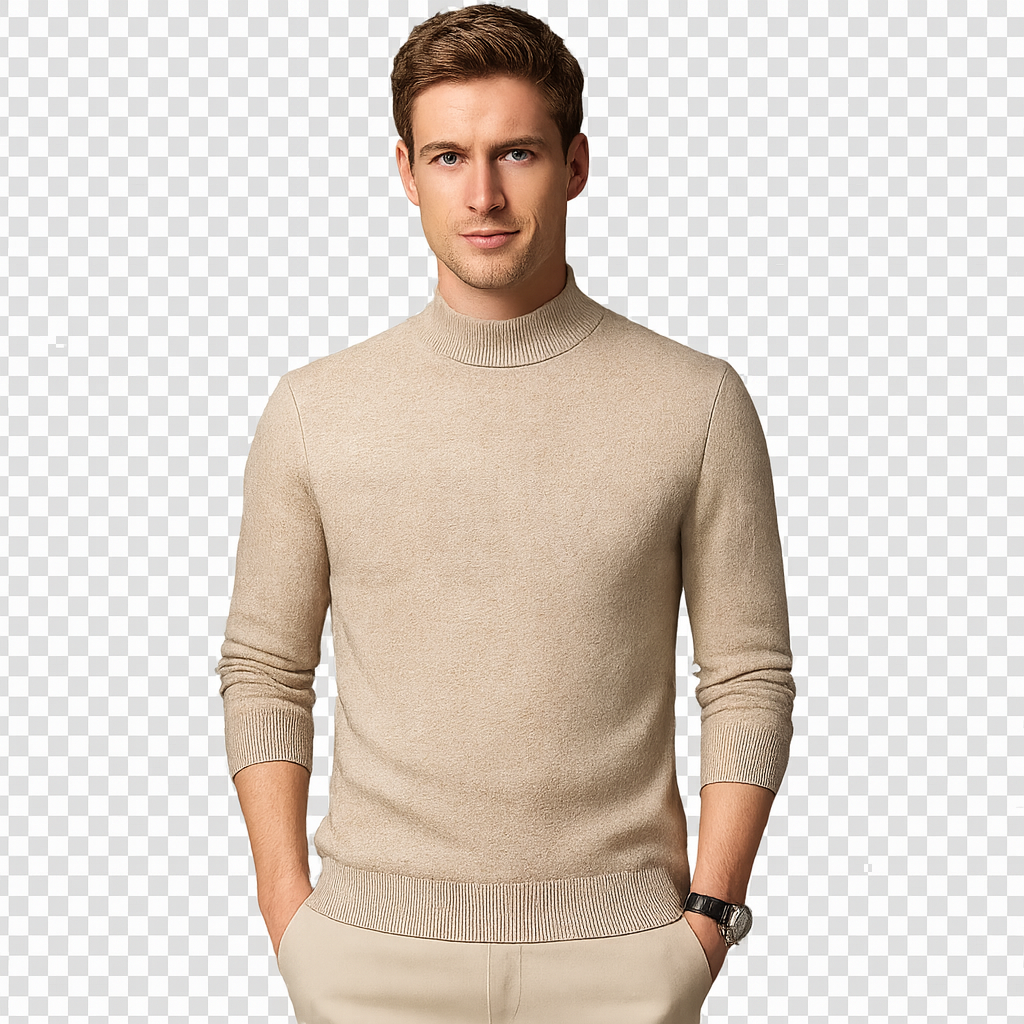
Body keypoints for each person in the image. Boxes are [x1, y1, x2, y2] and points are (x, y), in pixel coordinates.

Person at [217, 6, 796, 1023]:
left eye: (516, 152)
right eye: (449, 156)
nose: (482, 194)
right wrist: (286, 907)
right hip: (366, 957)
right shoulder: (315, 408)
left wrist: (708, 919)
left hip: (623, 959)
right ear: (406, 172)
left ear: (575, 164)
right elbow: (266, 667)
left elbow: (747, 676)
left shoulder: (694, 402)